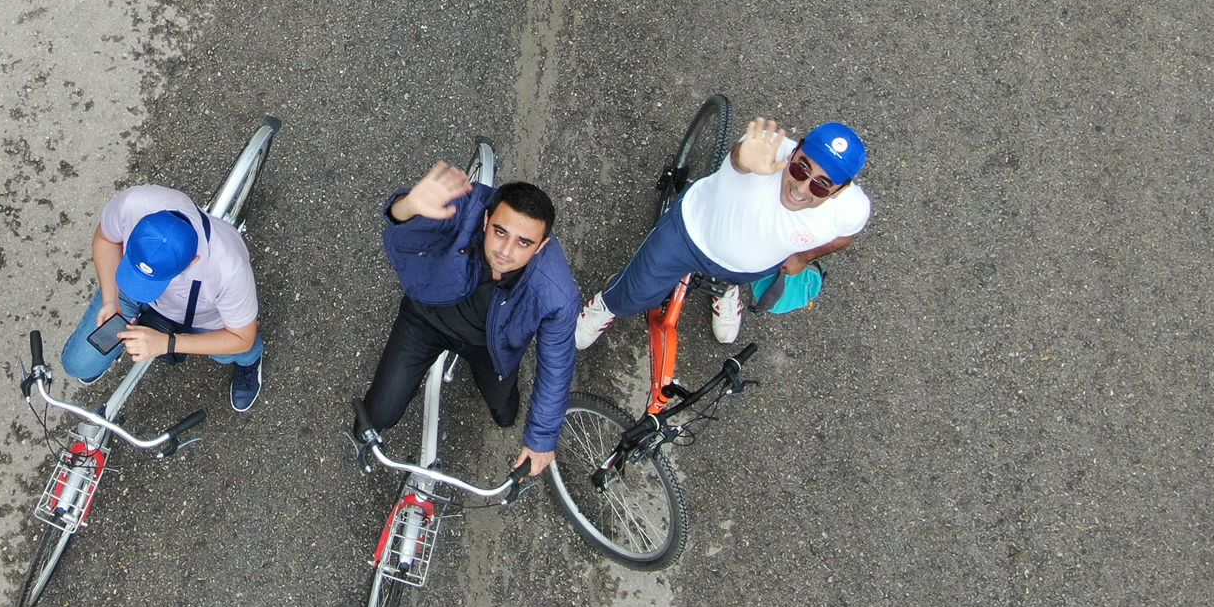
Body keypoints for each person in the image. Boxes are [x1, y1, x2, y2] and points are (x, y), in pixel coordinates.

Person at [576, 118, 871, 394]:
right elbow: (739, 161)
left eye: (821, 184)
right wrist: (743, 156)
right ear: (795, 151)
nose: (801, 187)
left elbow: (846, 235)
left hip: (746, 267)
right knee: (634, 294)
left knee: (736, 271)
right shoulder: (762, 154)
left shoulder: (851, 210)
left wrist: (805, 257)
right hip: (690, 235)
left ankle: (726, 288)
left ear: (839, 191)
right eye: (801, 168)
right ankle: (610, 302)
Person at [354, 161, 580, 477]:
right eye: (500, 232)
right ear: (487, 219)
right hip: (426, 318)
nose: (505, 250)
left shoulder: (557, 294)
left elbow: (557, 363)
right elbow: (400, 216)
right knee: (376, 416)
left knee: (505, 412)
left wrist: (541, 440)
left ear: (542, 246)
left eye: (524, 243)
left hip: (489, 344)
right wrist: (407, 207)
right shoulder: (468, 208)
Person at [61, 183, 264, 412]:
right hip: (127, 295)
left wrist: (169, 344)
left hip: (203, 319)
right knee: (78, 364)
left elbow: (242, 337)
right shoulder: (133, 205)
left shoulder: (229, 269)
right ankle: (106, 349)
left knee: (239, 351)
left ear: (193, 261)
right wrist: (111, 301)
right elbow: (106, 240)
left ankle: (251, 362)